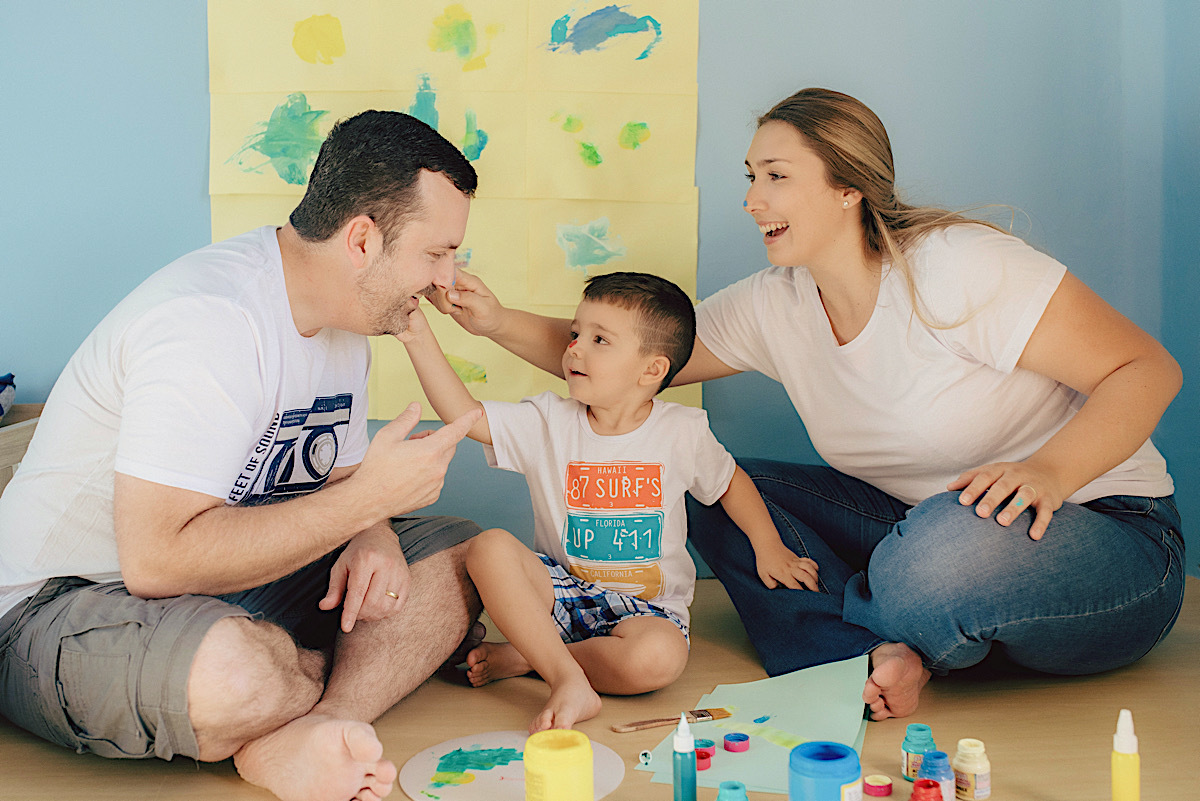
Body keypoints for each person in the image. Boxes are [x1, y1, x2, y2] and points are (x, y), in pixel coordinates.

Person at [427, 88, 1186, 722]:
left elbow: (1146, 368)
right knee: (722, 491)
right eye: (751, 175)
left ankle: (867, 631)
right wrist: (493, 321)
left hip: (1106, 530)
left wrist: (1052, 469)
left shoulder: (957, 267)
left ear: (847, 185)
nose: (752, 198)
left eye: (776, 176)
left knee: (934, 559)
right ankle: (883, 657)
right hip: (915, 520)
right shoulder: (776, 303)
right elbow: (626, 356)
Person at [0, 111, 489, 801]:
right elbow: (156, 560)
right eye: (438, 251)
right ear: (361, 240)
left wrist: (373, 530)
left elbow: (343, 484)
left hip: (229, 582)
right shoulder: (210, 322)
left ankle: (314, 725)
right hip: (69, 599)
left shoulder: (346, 322)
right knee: (236, 676)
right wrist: (369, 503)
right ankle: (306, 689)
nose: (446, 278)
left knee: (464, 561)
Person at [402, 271, 818, 732]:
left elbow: (728, 482)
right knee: (487, 547)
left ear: (651, 370)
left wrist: (768, 545)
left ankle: (526, 658)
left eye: (600, 339)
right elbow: (466, 417)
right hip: (560, 593)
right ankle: (565, 676)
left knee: (658, 661)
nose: (574, 347)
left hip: (648, 613)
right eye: (576, 333)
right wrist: (415, 333)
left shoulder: (682, 431)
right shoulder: (549, 420)